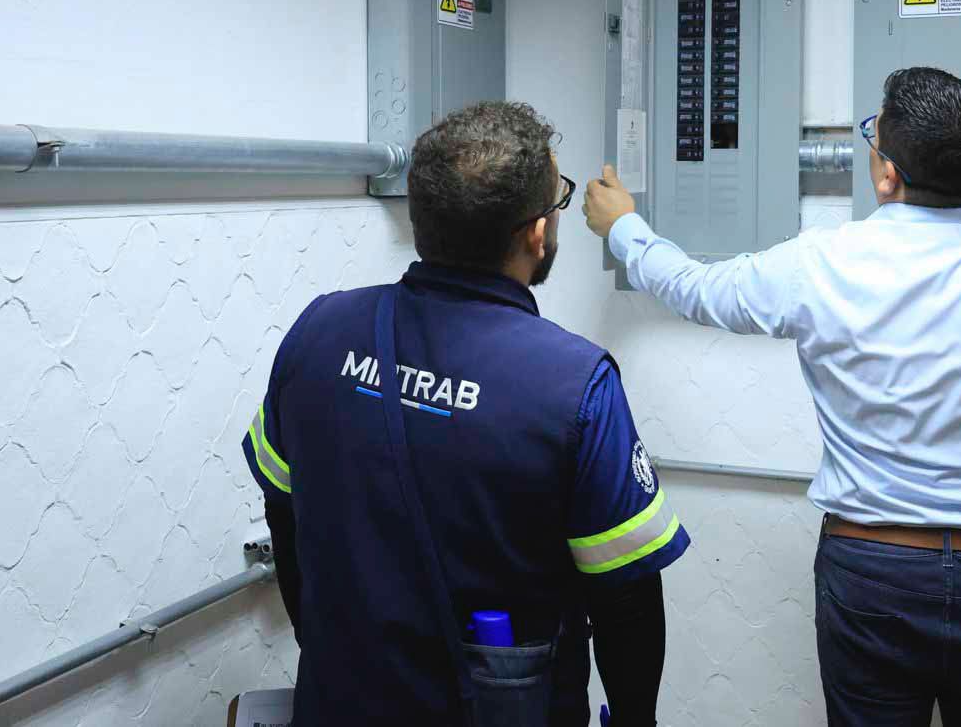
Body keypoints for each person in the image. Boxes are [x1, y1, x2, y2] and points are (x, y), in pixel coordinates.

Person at [582, 66, 961, 727]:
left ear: (888, 175)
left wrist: (624, 226)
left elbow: (694, 289)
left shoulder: (822, 261)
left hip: (869, 568)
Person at [243, 101, 689, 727]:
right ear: (536, 234)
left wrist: (322, 647)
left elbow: (283, 513)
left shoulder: (319, 332)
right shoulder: (575, 386)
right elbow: (627, 601)